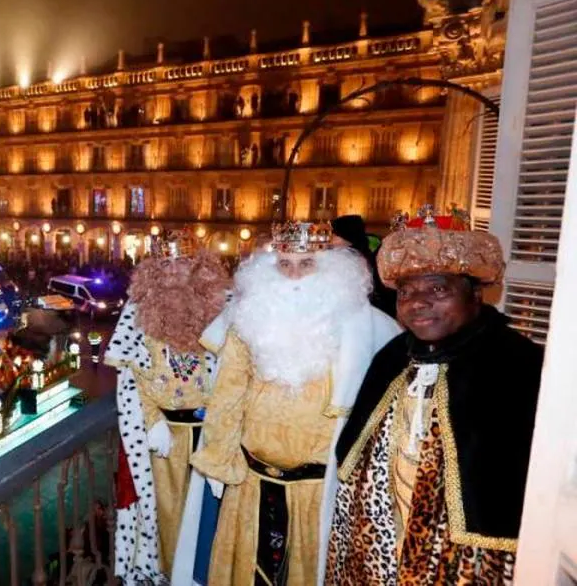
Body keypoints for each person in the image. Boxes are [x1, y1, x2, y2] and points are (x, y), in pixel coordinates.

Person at [327, 206, 542, 584]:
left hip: (462, 561)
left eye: (438, 288)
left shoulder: (517, 364)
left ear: (475, 293)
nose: (416, 302)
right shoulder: (392, 357)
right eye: (405, 292)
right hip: (380, 546)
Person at [191, 221, 400, 586]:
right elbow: (228, 392)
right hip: (250, 484)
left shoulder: (372, 329)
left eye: (307, 264)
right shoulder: (249, 321)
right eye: (284, 264)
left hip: (318, 494)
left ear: (331, 267)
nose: (294, 274)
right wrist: (218, 459)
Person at [105, 232, 232, 585]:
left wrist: (223, 434)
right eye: (166, 264)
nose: (175, 271)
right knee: (168, 515)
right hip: (166, 440)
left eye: (183, 263)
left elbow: (238, 376)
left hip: (211, 435)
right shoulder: (139, 313)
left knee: (212, 519)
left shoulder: (225, 308)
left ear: (199, 268)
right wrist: (150, 421)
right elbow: (129, 378)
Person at [332, 214, 396, 317]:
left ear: (346, 236)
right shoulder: (362, 251)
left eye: (335, 234)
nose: (331, 238)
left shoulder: (354, 259)